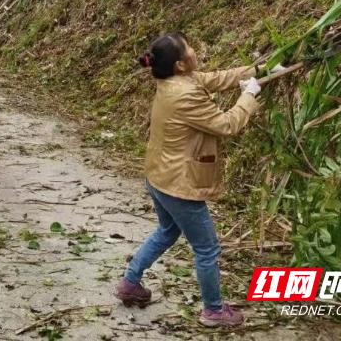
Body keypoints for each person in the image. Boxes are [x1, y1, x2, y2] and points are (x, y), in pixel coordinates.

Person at [115, 32, 283, 328]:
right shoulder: (185, 94)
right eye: (190, 49)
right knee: (207, 249)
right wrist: (250, 94)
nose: (195, 50)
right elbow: (227, 125)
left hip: (159, 176)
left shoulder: (176, 81)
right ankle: (213, 311)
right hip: (179, 184)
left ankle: (130, 283)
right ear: (180, 64)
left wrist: (263, 70)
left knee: (167, 231)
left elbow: (218, 78)